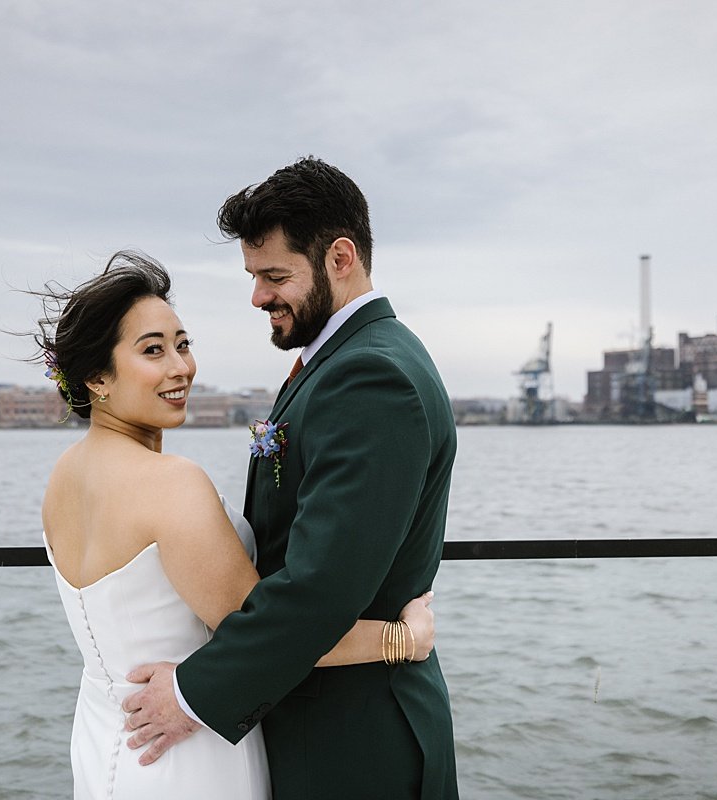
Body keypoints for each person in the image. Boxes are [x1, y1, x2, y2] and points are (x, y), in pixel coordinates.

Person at [35, 250, 437, 799]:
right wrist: (401, 640)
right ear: (96, 378)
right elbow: (265, 629)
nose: (181, 368)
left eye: (182, 344)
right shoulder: (171, 483)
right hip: (185, 751)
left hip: (105, 736)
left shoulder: (63, 476)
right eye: (153, 350)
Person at [122, 158, 460, 799]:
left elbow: (319, 588)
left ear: (340, 258)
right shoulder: (340, 361)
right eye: (253, 276)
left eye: (275, 276)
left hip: (357, 744)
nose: (257, 297)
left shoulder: (371, 378)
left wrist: (192, 694)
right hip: (322, 721)